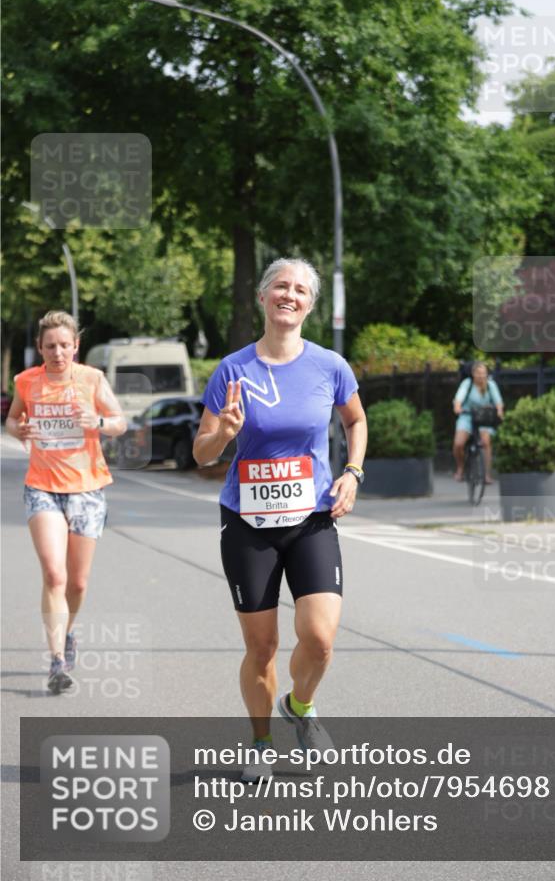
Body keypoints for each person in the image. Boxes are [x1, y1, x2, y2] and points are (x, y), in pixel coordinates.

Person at [193, 258, 367, 781]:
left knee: (320, 639)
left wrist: (353, 473)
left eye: (300, 290)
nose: (289, 296)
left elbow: (356, 420)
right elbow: (202, 454)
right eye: (280, 287)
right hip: (248, 522)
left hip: (311, 516)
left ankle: (302, 706)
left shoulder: (330, 366)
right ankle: (262, 742)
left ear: (310, 305)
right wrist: (223, 432)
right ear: (264, 297)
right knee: (262, 646)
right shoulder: (232, 369)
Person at [6, 311, 127, 693]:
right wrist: (19, 429)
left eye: (64, 345)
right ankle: (57, 660)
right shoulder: (27, 381)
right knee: (54, 574)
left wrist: (98, 422)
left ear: (76, 346)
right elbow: (12, 419)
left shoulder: (92, 379)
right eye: (50, 346)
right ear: (40, 348)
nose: (58, 352)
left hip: (88, 489)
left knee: (77, 582)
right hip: (42, 487)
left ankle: (68, 632)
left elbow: (120, 421)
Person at [452, 361, 504, 483]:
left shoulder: (491, 385)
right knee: (459, 444)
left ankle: (487, 474)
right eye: (478, 373)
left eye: (484, 373)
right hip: (467, 416)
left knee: (486, 442)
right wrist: (457, 407)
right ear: (473, 374)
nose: (481, 376)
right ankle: (460, 468)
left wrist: (499, 411)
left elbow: (498, 402)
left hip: (483, 418)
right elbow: (459, 398)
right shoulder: (467, 384)